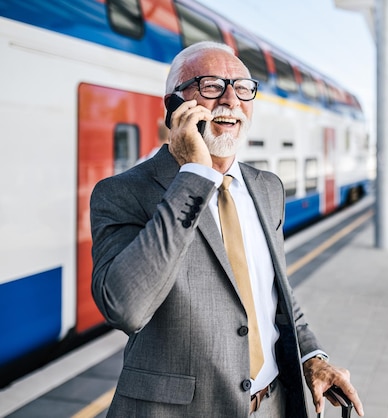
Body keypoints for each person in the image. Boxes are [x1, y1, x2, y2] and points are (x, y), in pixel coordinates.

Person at [90, 41, 364, 417]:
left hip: (274, 404)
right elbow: (125, 307)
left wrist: (313, 357)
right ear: (173, 104)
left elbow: (275, 293)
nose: (232, 100)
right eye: (212, 86)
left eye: (243, 88)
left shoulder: (268, 188)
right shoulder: (121, 193)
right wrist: (195, 176)